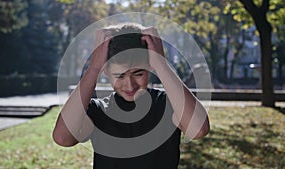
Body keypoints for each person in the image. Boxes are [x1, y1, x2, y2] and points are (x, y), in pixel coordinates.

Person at [53, 23, 210, 169]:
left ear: (150, 66)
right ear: (105, 71)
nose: (130, 85)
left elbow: (198, 130)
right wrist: (93, 68)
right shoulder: (99, 111)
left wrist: (161, 64)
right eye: (119, 76)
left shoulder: (168, 104)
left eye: (138, 73)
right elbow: (63, 138)